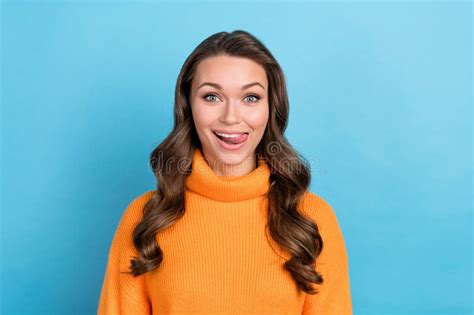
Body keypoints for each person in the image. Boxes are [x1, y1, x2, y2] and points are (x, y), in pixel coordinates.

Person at [97, 30, 353, 314]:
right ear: (188, 105)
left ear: (272, 107)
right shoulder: (145, 218)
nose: (231, 117)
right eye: (212, 97)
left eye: (251, 98)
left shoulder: (312, 220)